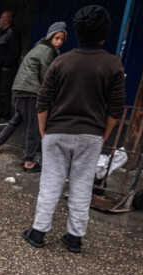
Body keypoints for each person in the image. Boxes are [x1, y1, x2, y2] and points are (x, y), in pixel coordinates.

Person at [22, 5, 125, 253]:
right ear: (104, 35)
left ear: (76, 32)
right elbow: (116, 107)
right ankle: (74, 238)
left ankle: (38, 233)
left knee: (50, 184)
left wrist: (45, 130)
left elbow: (43, 99)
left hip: (57, 131)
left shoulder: (61, 61)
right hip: (91, 134)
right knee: (81, 186)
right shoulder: (113, 65)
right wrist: (103, 134)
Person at [0, 22, 67, 173]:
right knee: (35, 126)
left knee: (16, 119)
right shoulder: (47, 51)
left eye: (62, 39)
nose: (59, 42)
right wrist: (53, 95)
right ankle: (29, 161)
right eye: (56, 38)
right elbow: (46, 75)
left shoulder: (40, 47)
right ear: (50, 37)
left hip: (21, 88)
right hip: (31, 91)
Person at [0, 11, 22, 126]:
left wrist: (6, 65)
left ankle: (6, 116)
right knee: (0, 92)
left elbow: (14, 51)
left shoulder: (13, 33)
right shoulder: (4, 33)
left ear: (7, 21)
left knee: (5, 92)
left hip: (7, 69)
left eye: (1, 18)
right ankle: (1, 115)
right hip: (0, 69)